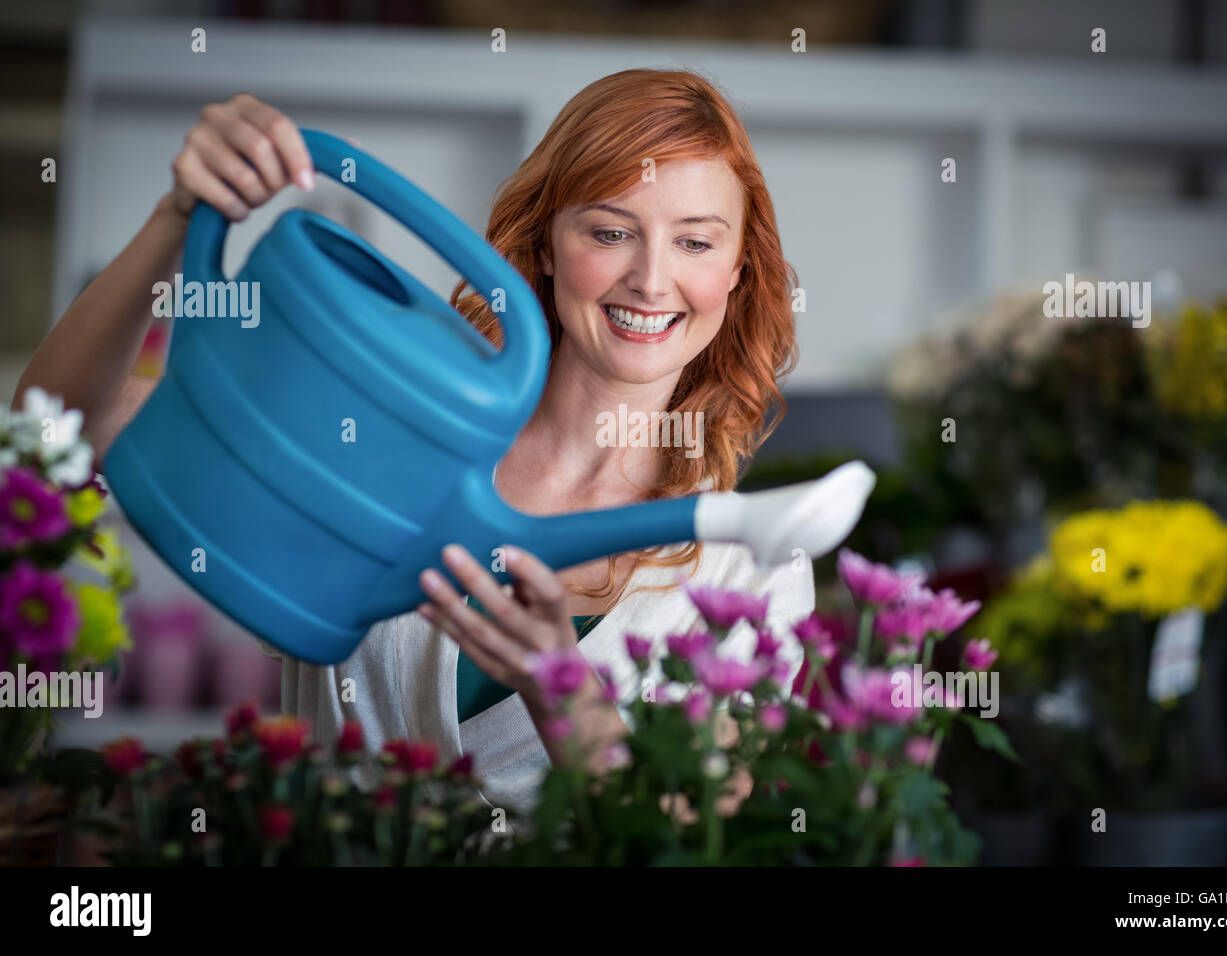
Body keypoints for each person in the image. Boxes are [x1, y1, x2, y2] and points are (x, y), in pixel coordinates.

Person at [12, 69, 813, 817]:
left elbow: (706, 835)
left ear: (739, 270)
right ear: (545, 243)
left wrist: (562, 693)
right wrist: (179, 215)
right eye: (610, 231)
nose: (650, 278)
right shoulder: (387, 418)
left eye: (696, 243)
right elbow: (61, 427)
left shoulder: (752, 569)